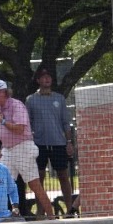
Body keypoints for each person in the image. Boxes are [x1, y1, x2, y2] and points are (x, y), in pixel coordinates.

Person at [0, 79, 55, 218]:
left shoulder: (17, 105)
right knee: (1, 183)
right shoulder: (0, 108)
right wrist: (1, 150)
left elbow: (20, 129)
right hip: (8, 150)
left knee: (34, 184)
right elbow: (5, 134)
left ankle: (52, 218)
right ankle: (6, 215)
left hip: (22, 148)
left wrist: (3, 122)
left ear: (2, 92)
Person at [27, 68, 76, 215]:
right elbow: (28, 123)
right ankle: (41, 212)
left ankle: (70, 210)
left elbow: (66, 122)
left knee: (63, 176)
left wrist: (69, 142)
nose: (46, 79)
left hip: (58, 143)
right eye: (43, 77)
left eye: (49, 77)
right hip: (39, 144)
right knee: (38, 178)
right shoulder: (31, 99)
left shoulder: (59, 98)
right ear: (38, 81)